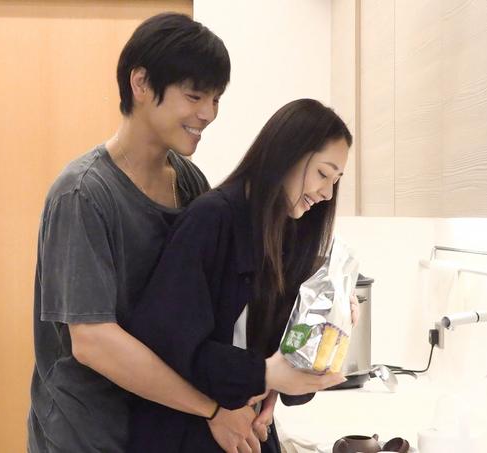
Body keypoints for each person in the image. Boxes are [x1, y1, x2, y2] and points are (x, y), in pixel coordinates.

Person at [27, 13, 336, 453]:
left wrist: (264, 385)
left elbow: (211, 312)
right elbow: (94, 342)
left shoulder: (190, 183)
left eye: (215, 99)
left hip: (161, 423)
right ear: (140, 83)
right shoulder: (83, 194)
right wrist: (212, 410)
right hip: (89, 432)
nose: (207, 114)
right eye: (194, 96)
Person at [127, 98, 355, 453]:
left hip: (249, 430)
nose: (327, 193)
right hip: (185, 432)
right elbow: (169, 347)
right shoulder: (211, 219)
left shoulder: (287, 232)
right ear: (287, 155)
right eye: (323, 174)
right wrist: (263, 376)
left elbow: (281, 359)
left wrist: (329, 324)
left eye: (335, 181)